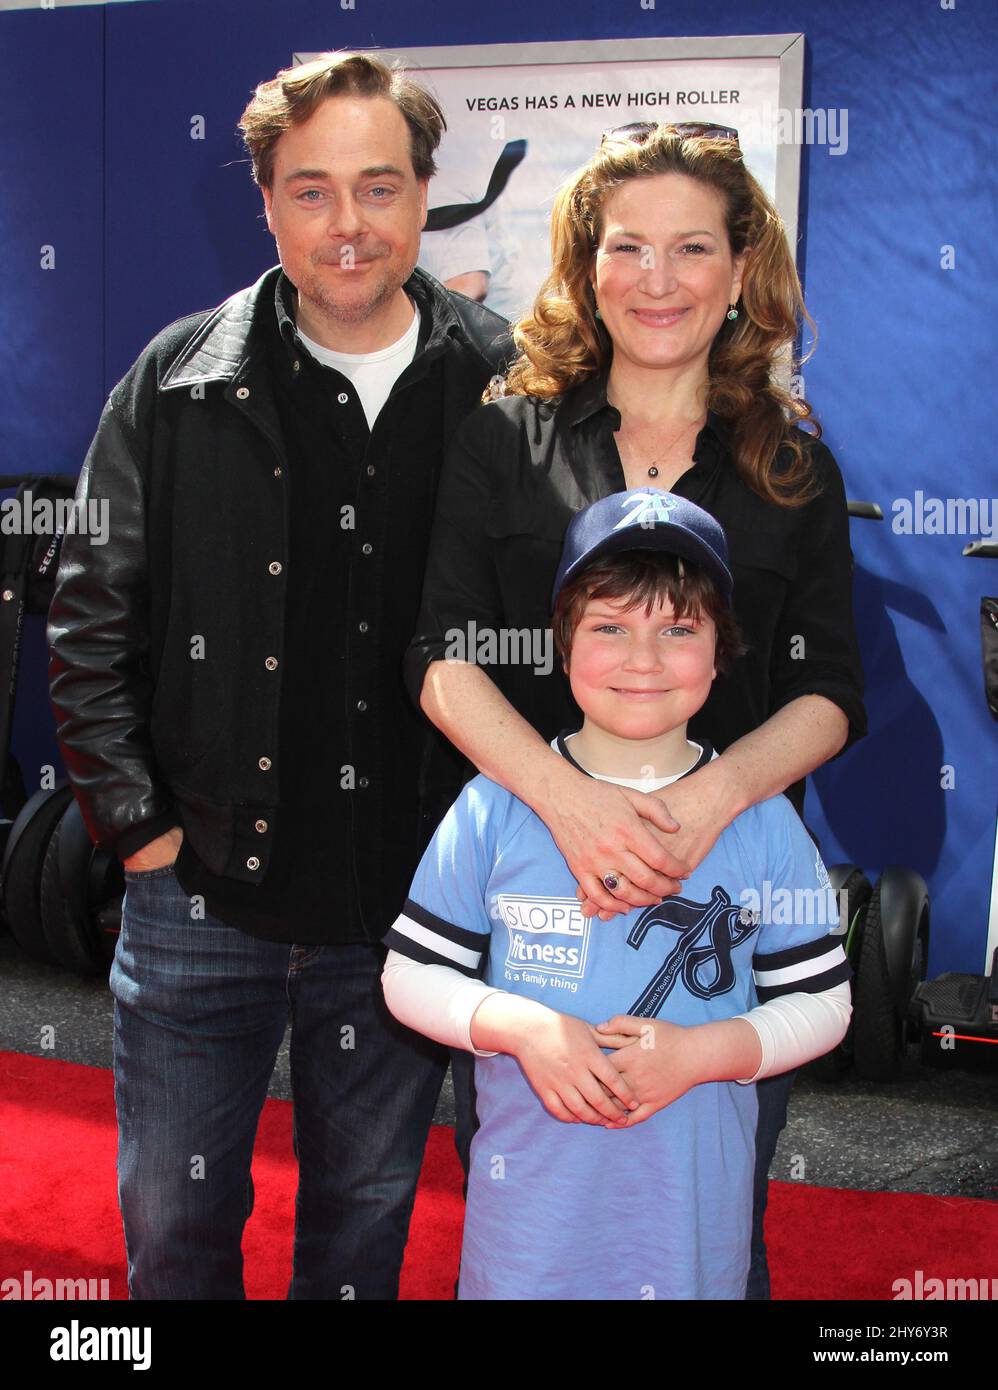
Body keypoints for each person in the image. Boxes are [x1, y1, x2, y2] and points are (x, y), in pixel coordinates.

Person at [46, 51, 509, 1300]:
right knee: (174, 1231)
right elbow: (89, 617)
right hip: (201, 895)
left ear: (425, 192)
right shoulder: (175, 380)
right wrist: (138, 832)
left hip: (406, 904)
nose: (346, 226)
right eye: (310, 191)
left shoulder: (508, 388)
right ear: (264, 201)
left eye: (376, 186)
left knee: (361, 1231)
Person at [404, 121, 866, 1297]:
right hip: (531, 890)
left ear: (738, 271)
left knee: (709, 1218)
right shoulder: (502, 441)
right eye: (626, 248)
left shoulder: (789, 465)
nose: (655, 279)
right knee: (530, 1206)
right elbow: (443, 660)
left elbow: (829, 692)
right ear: (584, 264)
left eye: (691, 248)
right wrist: (569, 807)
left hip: (718, 887)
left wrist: (711, 800)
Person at [383, 489, 852, 1299]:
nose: (644, 660)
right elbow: (408, 976)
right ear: (564, 646)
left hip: (687, 1226)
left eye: (678, 629)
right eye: (609, 628)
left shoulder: (763, 821)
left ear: (719, 653)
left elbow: (823, 1002)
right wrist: (524, 1028)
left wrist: (700, 1055)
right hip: (526, 1224)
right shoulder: (496, 803)